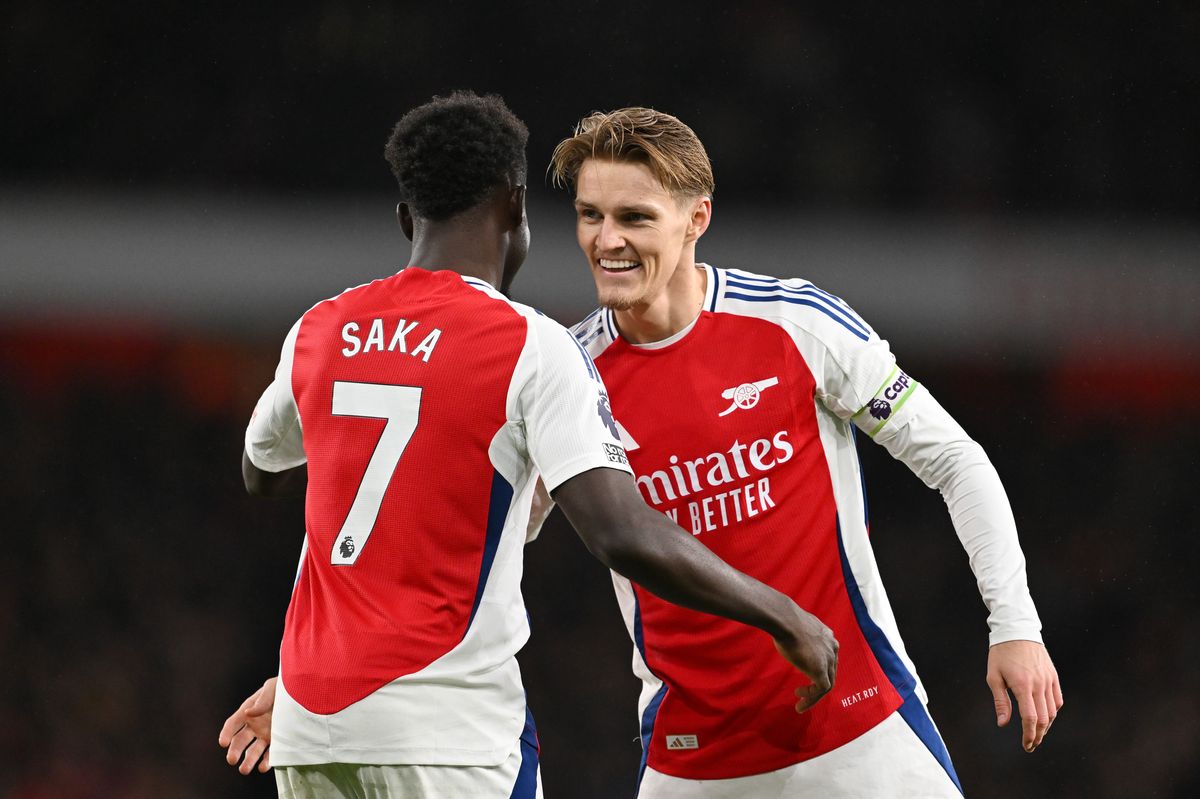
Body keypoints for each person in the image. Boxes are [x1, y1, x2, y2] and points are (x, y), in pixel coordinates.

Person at [219, 92, 838, 798]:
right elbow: (621, 532)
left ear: (404, 219)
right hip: (451, 736)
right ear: (517, 206)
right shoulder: (530, 345)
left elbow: (260, 469)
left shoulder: (320, 330)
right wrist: (785, 615)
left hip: (310, 728)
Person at [539, 107, 1063, 797]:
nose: (606, 240)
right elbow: (492, 536)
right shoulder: (564, 376)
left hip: (863, 733)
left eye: (634, 218)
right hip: (694, 761)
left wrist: (1016, 623)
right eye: (589, 215)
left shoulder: (795, 323)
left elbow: (957, 460)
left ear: (696, 219)